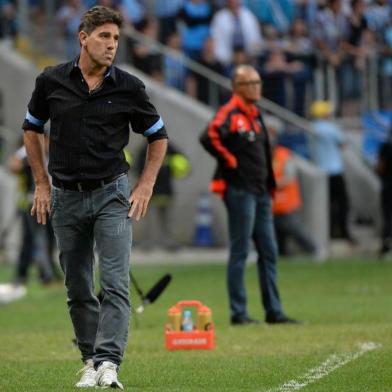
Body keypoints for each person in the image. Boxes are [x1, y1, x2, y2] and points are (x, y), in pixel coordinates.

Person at [22, 6, 168, 389]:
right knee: (78, 287)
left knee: (115, 283)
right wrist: (40, 182)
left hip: (112, 194)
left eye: (116, 39)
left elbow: (158, 136)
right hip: (65, 197)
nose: (112, 45)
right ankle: (90, 359)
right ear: (83, 37)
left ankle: (109, 363)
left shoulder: (130, 87)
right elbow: (31, 128)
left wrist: (146, 184)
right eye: (104, 36)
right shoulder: (50, 80)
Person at [200, 64, 299, 326]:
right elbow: (208, 136)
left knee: (269, 251)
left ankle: (274, 311)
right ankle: (238, 312)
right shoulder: (230, 112)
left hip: (260, 191)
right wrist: (230, 161)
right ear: (237, 87)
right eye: (250, 83)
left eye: (258, 82)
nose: (257, 87)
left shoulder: (255, 114)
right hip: (240, 190)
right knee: (241, 250)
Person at [309, 100, 355, 243]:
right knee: (343, 203)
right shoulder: (331, 128)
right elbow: (343, 143)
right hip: (334, 170)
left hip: (321, 170)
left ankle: (328, 232)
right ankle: (343, 231)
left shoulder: (312, 127)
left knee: (326, 204)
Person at [376, 128, 392, 257]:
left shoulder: (385, 147)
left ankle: (386, 245)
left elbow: (380, 167)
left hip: (387, 186)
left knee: (387, 216)